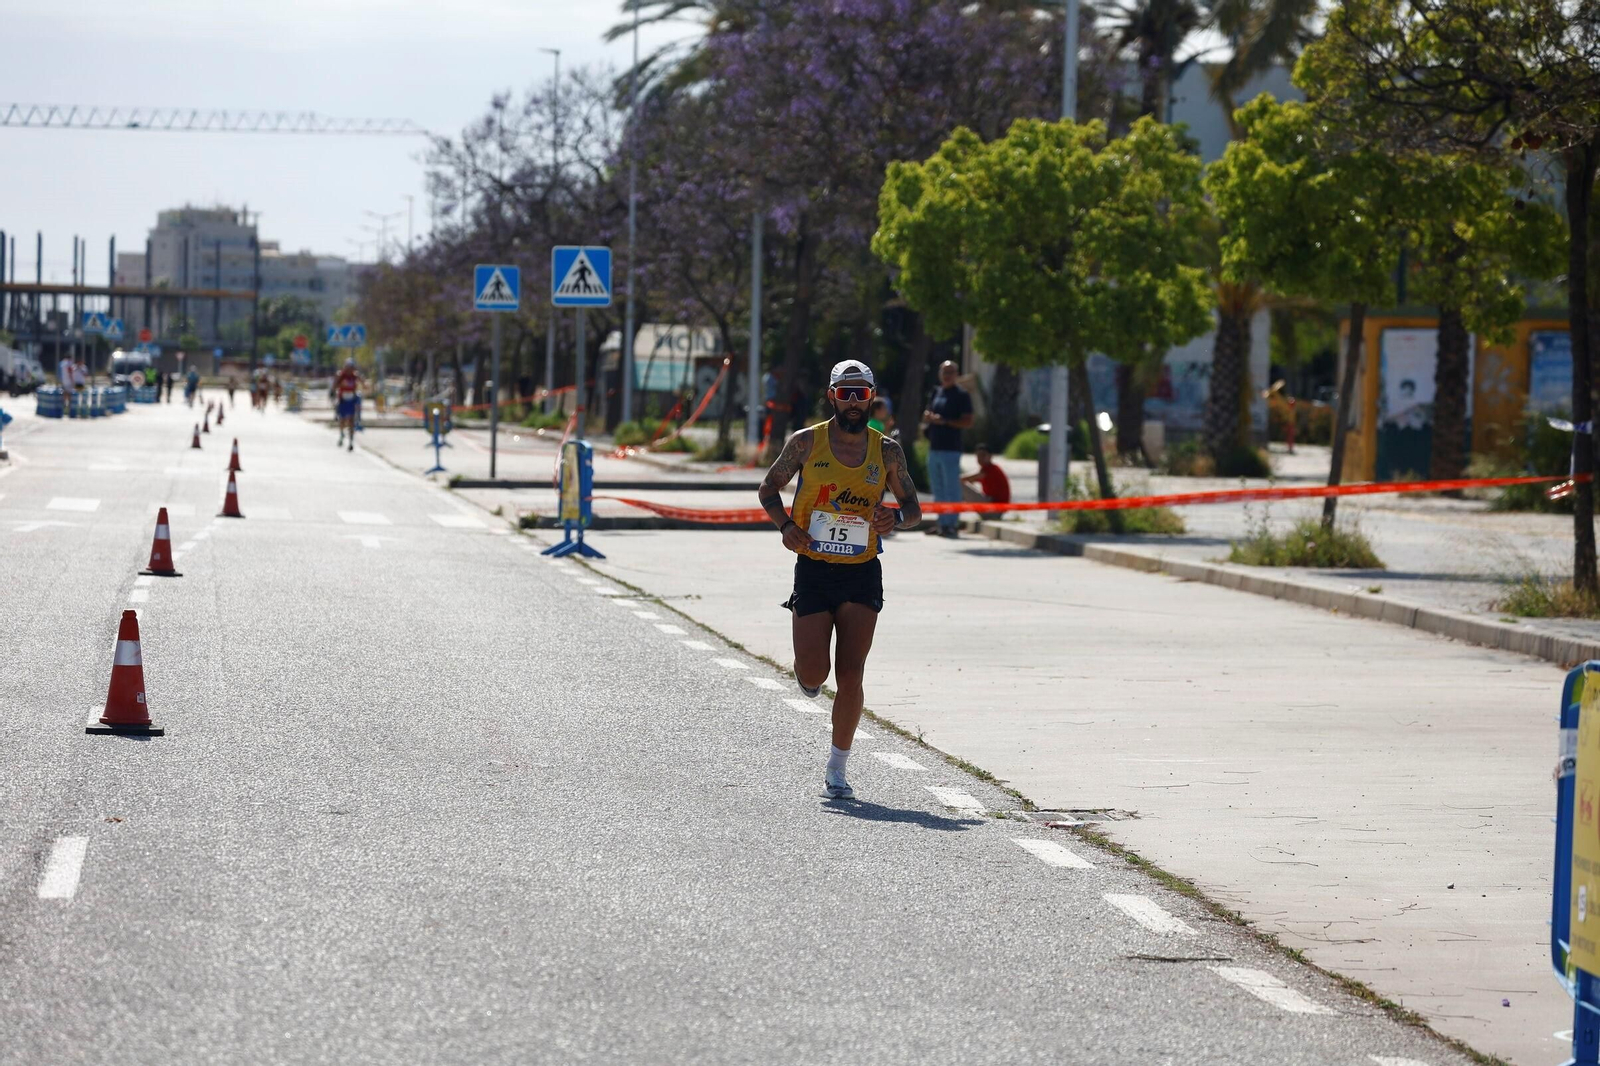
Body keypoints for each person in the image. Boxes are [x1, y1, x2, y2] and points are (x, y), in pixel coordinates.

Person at [757, 360, 922, 801]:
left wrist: (895, 517)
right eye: (845, 393)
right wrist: (786, 527)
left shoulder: (886, 451)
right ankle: (808, 678)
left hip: (862, 570)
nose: (853, 402)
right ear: (831, 395)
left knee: (852, 674)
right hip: (813, 567)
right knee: (816, 671)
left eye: (861, 393)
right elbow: (768, 489)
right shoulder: (806, 443)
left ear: (872, 397)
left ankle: (837, 768)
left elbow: (914, 508)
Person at [920, 360, 974, 538]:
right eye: (944, 371)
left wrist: (944, 421)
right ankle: (942, 523)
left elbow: (967, 421)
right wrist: (929, 418)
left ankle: (952, 524)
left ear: (956, 374)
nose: (947, 375)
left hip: (951, 448)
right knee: (938, 488)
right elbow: (929, 413)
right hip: (934, 447)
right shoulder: (937, 392)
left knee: (952, 489)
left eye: (951, 372)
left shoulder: (961, 395)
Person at [960, 444, 1012, 514]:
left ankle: (950, 511)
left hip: (994, 509)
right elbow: (970, 480)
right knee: (962, 485)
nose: (980, 458)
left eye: (983, 455)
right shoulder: (987, 469)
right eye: (978, 456)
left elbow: (964, 478)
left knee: (958, 484)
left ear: (990, 456)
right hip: (994, 507)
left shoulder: (990, 469)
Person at [332, 359, 361, 451]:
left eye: (351, 367)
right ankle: (341, 435)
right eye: (348, 367)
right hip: (343, 400)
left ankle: (351, 442)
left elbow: (362, 384)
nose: (349, 369)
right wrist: (339, 383)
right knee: (342, 420)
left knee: (351, 421)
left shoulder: (354, 376)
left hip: (351, 401)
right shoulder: (341, 375)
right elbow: (334, 386)